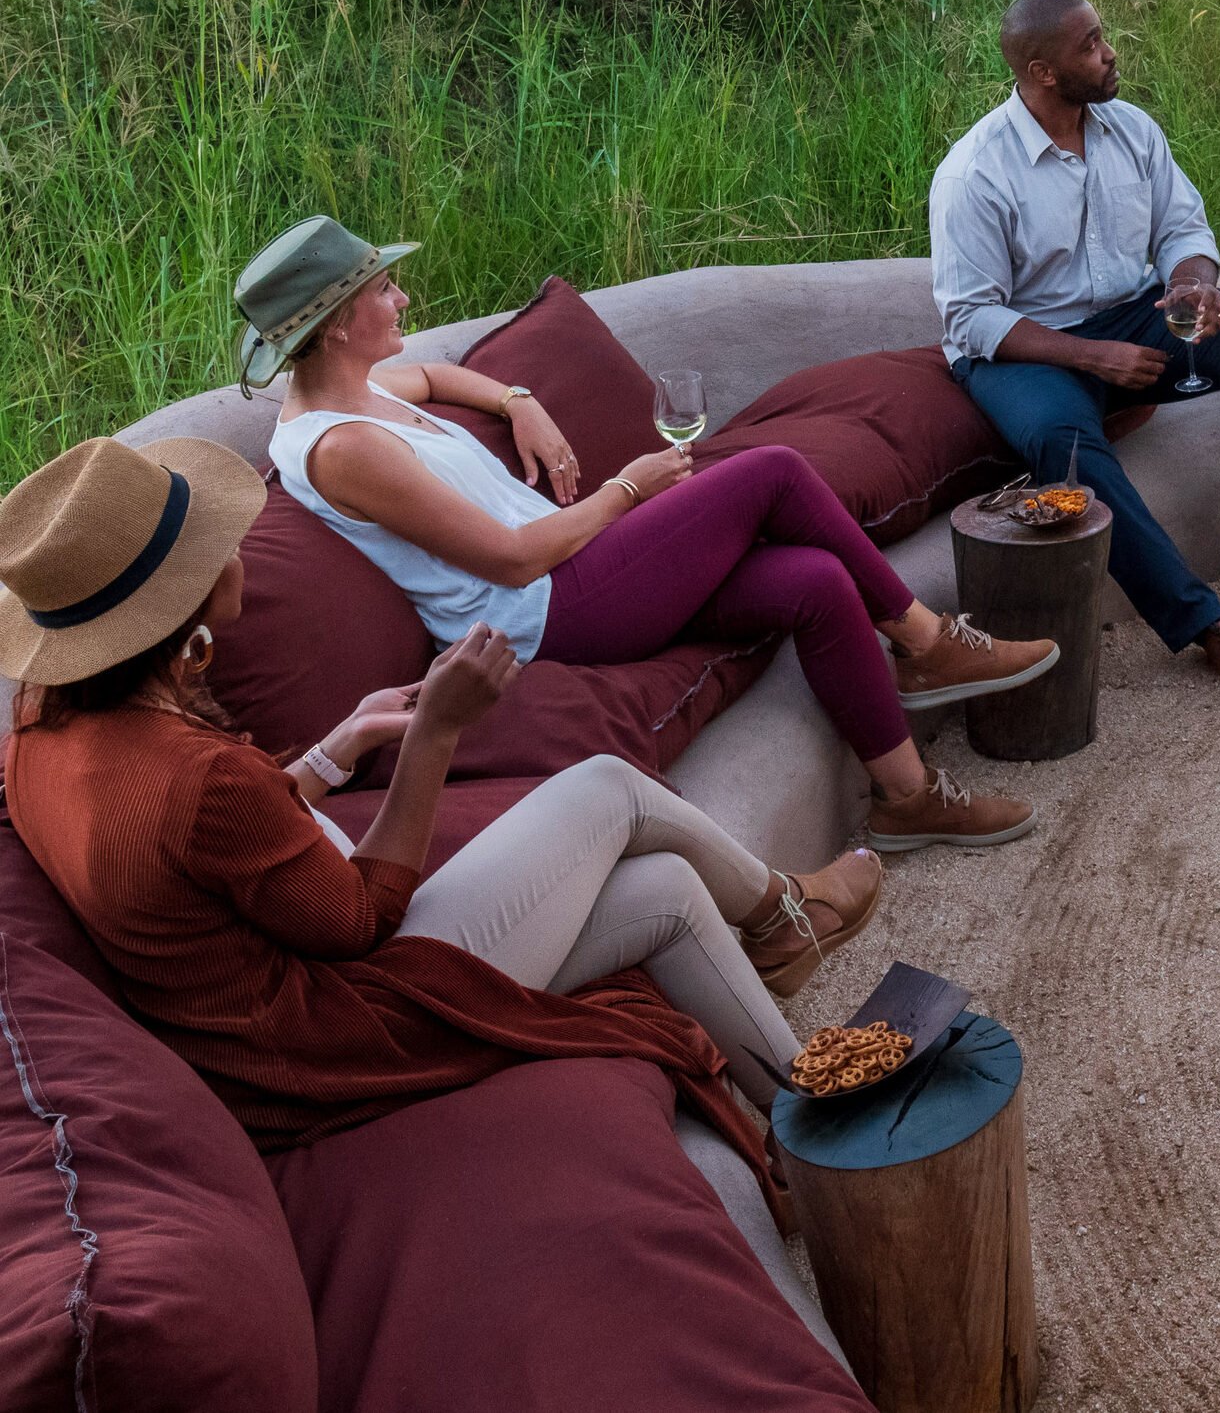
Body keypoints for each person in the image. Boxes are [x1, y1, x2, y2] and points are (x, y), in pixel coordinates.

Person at [0, 435, 866, 1195]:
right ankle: (787, 908)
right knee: (612, 784)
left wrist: (341, 744)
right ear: (174, 607)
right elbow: (357, 919)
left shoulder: (42, 734)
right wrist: (437, 732)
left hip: (274, 1014)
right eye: (215, 541)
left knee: (669, 889)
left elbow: (202, 848)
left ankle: (808, 1119)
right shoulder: (195, 776)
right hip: (341, 1033)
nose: (237, 548)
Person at [237, 215, 1045, 852]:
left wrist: (520, 400)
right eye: (385, 289)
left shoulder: (358, 390)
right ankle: (927, 640)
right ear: (340, 323)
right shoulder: (341, 447)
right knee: (771, 471)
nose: (404, 299)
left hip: (575, 567)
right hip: (546, 610)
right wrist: (629, 487)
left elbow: (442, 375)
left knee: (814, 581)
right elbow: (513, 560)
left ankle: (906, 801)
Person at [929, 0, 1220, 699]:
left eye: (1102, 36)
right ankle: (1206, 625)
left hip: (1132, 318)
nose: (1110, 52)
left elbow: (1183, 227)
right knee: (1068, 445)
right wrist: (1090, 357)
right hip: (1024, 349)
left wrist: (1194, 286)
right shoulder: (975, 174)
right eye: (1089, 45)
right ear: (1041, 72)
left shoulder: (1131, 131)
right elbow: (971, 319)